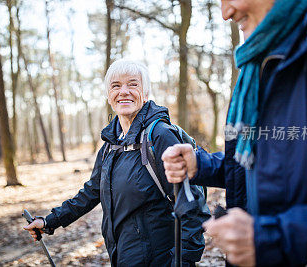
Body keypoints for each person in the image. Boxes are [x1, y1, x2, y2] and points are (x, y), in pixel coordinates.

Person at [162, 0, 307, 266]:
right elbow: (260, 164)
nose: (226, 13)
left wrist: (275, 239)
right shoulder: (255, 67)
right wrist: (199, 163)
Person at [24, 59, 210, 266]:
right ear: (108, 95)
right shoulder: (111, 145)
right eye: (116, 86)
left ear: (145, 93)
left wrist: (183, 260)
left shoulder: (160, 136)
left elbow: (191, 203)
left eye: (133, 84)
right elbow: (92, 191)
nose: (124, 91)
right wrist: (50, 221)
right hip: (121, 255)